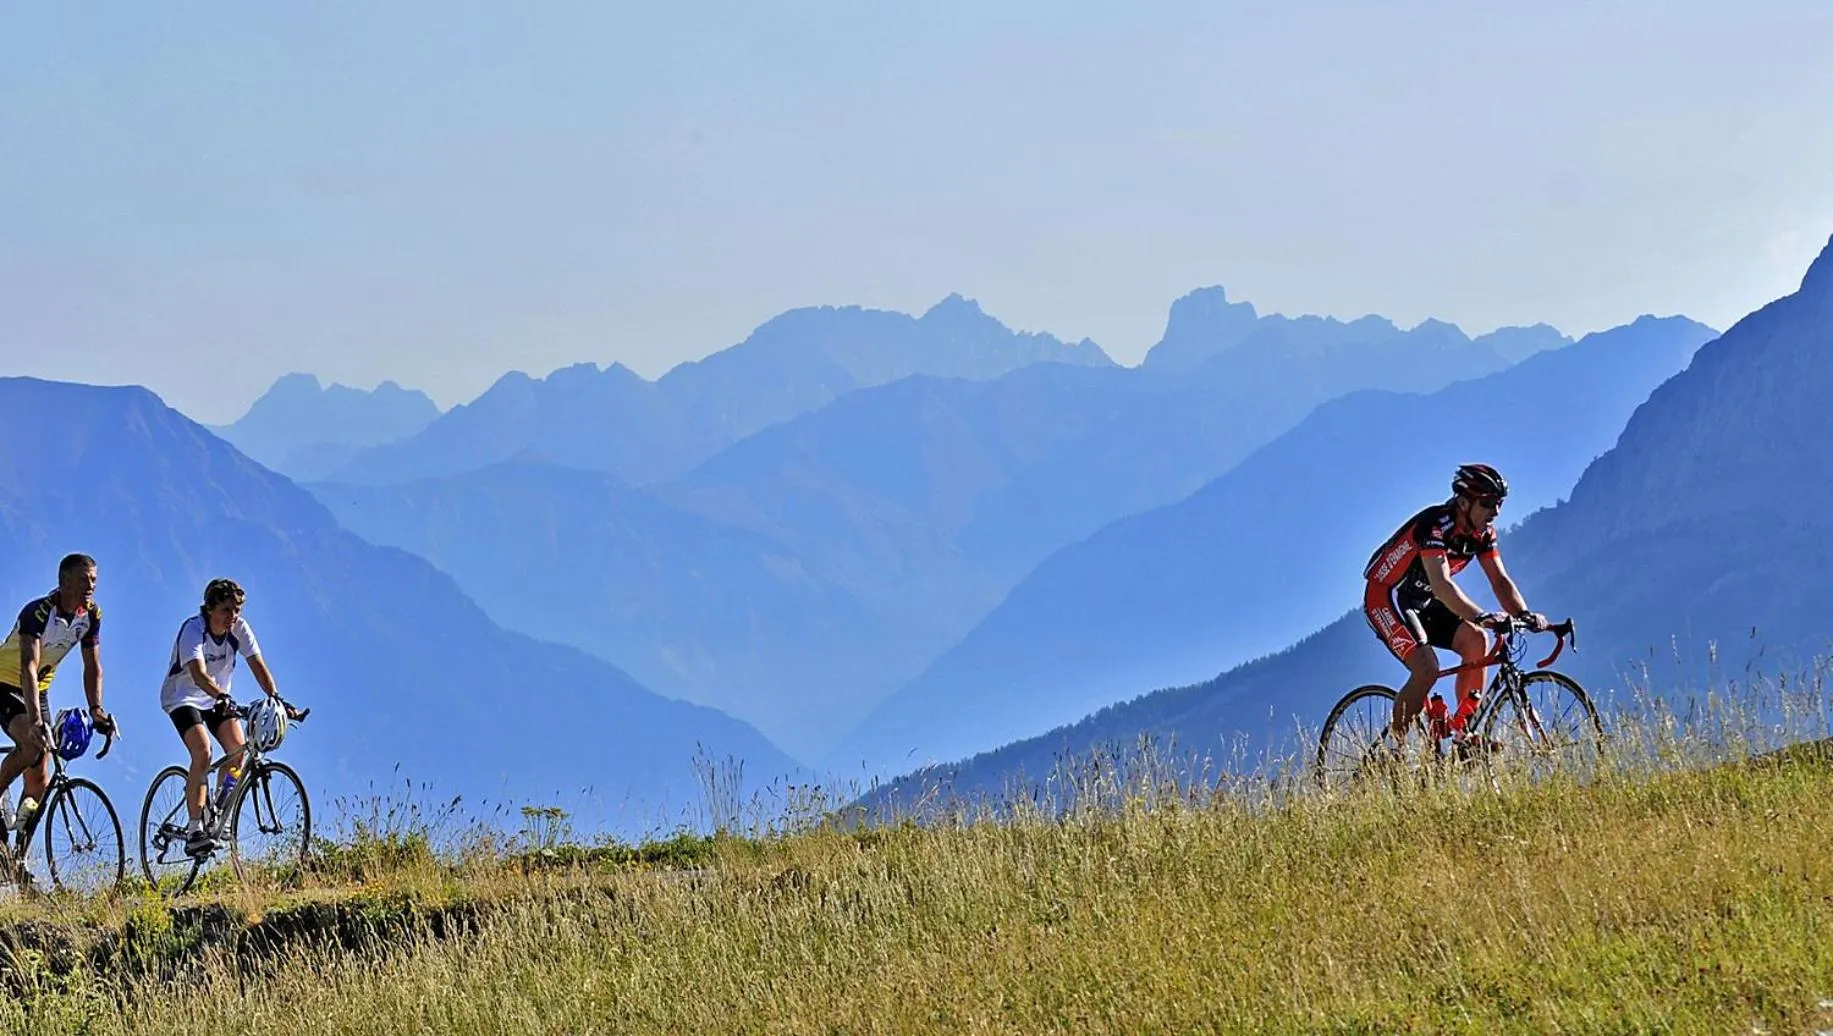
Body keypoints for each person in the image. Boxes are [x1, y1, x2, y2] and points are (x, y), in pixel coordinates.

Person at [1362, 464, 1547, 751]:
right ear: (1463, 502)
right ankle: (1390, 754)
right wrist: (1481, 615)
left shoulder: (1483, 534)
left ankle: (1463, 734)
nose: (1495, 512)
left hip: (1422, 600)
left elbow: (1499, 580)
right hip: (1386, 597)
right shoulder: (1434, 526)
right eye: (1487, 504)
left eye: (1499, 504)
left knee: (1476, 640)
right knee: (1426, 670)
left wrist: (1523, 614)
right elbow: (1442, 585)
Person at [160, 578, 285, 856]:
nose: (233, 617)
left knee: (237, 753)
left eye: (237, 610)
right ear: (210, 608)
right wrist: (221, 696)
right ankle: (195, 829)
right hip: (183, 697)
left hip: (217, 698)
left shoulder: (239, 628)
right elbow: (198, 674)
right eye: (227, 610)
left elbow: (257, 664)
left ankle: (218, 809)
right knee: (203, 752)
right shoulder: (193, 630)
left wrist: (276, 698)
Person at [0, 554, 116, 842]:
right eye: (83, 580)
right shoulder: (38, 612)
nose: (90, 586)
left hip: (38, 690)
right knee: (30, 742)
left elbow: (92, 666)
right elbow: (29, 664)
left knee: (40, 776)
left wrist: (97, 710)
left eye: (94, 580)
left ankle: (18, 859)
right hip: (4, 682)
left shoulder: (91, 616)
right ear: (64, 582)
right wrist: (36, 721)